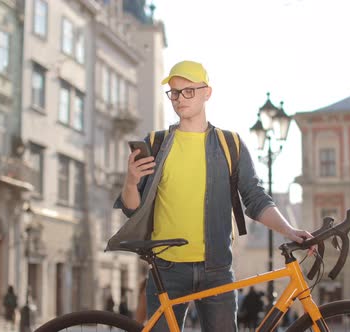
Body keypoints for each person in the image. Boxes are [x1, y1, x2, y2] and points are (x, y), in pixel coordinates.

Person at [114, 60, 313, 331]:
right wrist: (131, 181)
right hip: (167, 267)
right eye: (174, 92)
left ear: (207, 93)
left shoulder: (230, 144)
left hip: (217, 269)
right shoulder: (155, 143)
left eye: (188, 91)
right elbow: (132, 209)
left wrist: (289, 230)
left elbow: (254, 199)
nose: (179, 99)